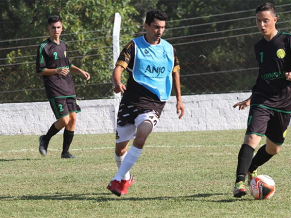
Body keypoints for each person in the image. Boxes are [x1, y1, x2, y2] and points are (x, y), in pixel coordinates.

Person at [232, 2, 291, 197]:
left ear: (275, 20)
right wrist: (252, 98)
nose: (262, 24)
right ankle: (239, 183)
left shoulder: (289, 40)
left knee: (273, 148)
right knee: (251, 138)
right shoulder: (258, 46)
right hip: (262, 99)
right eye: (258, 21)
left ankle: (252, 168)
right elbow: (263, 76)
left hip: (284, 102)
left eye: (265, 20)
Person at [106, 9, 185, 197]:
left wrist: (179, 99)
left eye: (163, 28)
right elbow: (118, 69)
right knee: (120, 149)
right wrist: (117, 83)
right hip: (131, 100)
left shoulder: (169, 49)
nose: (160, 31)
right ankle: (125, 177)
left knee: (142, 135)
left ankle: (117, 179)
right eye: (156, 27)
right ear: (146, 26)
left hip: (154, 103)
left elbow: (175, 71)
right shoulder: (133, 46)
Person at [36, 15, 90, 159]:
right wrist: (56, 71)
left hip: (68, 86)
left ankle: (65, 152)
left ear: (62, 28)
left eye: (58, 27)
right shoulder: (44, 47)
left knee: (73, 119)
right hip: (54, 88)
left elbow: (68, 64)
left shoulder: (63, 45)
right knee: (64, 120)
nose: (56, 30)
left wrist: (81, 71)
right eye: (53, 27)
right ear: (48, 28)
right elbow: (40, 70)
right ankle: (45, 139)